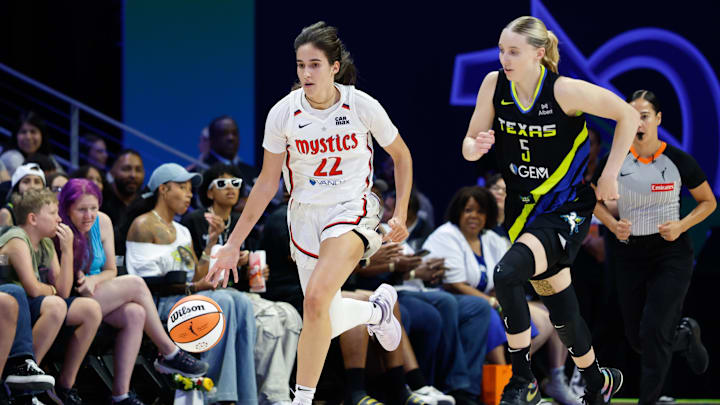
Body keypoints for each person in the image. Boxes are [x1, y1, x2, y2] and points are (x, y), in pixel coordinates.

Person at [206, 22, 413, 405]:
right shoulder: (283, 114)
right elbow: (267, 183)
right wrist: (233, 244)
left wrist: (398, 213)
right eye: (300, 65)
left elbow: (401, 155)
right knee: (321, 313)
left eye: (315, 64)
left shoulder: (360, 105)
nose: (306, 73)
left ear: (335, 67)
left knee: (315, 301)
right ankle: (376, 313)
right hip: (303, 217)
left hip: (352, 208)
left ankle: (301, 400)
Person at [462, 16, 640, 404]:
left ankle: (522, 379)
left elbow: (628, 114)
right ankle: (597, 381)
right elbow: (469, 140)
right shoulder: (494, 85)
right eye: (500, 50)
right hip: (522, 212)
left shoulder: (564, 91)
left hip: (565, 209)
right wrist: (474, 148)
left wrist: (610, 174)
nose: (503, 58)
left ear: (538, 54)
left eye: (513, 51)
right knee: (562, 310)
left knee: (506, 273)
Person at [591, 90, 716, 405]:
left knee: (655, 330)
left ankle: (648, 401)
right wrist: (611, 223)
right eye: (632, 116)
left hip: (670, 253)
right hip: (629, 253)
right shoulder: (614, 160)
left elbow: (708, 202)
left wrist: (681, 225)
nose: (638, 122)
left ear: (658, 119)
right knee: (638, 339)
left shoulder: (677, 159)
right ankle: (686, 336)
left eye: (644, 115)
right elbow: (591, 201)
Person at [57, 178, 209, 405]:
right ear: (67, 208)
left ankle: (120, 394)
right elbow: (60, 285)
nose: (89, 215)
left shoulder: (103, 222)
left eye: (93, 208)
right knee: (136, 284)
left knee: (135, 314)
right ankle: (169, 353)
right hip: (71, 298)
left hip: (97, 292)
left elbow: (109, 270)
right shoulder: (61, 228)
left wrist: (94, 279)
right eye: (81, 209)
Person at [425, 186, 580, 404]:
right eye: (468, 210)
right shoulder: (446, 235)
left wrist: (501, 299)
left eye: (480, 211)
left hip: (487, 300)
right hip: (452, 301)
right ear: (458, 212)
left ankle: (529, 380)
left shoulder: (490, 238)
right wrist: (493, 301)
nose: (474, 216)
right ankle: (504, 387)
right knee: (489, 315)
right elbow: (455, 284)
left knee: (550, 313)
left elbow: (504, 277)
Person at [125, 163, 258, 405]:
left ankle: (247, 397)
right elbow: (146, 284)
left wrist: (212, 243)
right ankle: (216, 394)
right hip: (159, 306)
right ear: (164, 189)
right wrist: (195, 288)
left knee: (241, 301)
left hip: (185, 298)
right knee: (224, 300)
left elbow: (196, 274)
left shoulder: (182, 231)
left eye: (189, 189)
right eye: (183, 188)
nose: (189, 195)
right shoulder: (143, 225)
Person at [182, 163, 302, 405]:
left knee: (290, 316)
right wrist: (215, 246)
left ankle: (272, 388)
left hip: (241, 293)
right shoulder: (194, 221)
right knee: (268, 320)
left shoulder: (242, 222)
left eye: (236, 183)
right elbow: (195, 275)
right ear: (208, 192)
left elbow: (250, 274)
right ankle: (272, 396)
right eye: (223, 183)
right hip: (211, 294)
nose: (231, 189)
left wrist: (255, 270)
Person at [0, 188, 102, 404]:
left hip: (27, 303)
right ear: (33, 218)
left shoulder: (47, 242)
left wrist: (67, 251)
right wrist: (52, 290)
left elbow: (63, 291)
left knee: (90, 309)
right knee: (55, 305)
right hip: (12, 301)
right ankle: (22, 376)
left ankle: (65, 387)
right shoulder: (17, 238)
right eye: (53, 213)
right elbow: (33, 288)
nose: (59, 218)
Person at [102, 149, 145, 255]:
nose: (133, 175)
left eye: (138, 170)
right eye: (126, 169)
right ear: (113, 172)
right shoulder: (100, 203)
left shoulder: (147, 204)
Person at [0, 111, 64, 176]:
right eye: (23, 132)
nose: (28, 137)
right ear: (15, 136)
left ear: (42, 135)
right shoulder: (11, 158)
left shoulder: (48, 157)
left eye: (33, 132)